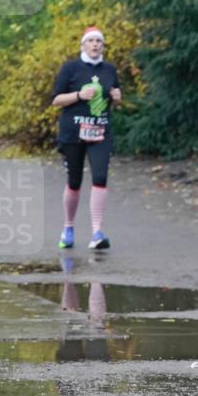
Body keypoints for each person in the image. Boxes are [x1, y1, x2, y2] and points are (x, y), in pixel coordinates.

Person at [51, 26, 121, 250]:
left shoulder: (109, 70)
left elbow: (114, 97)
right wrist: (79, 95)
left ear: (103, 46)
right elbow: (56, 100)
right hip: (73, 132)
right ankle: (68, 228)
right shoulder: (70, 68)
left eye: (98, 41)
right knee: (74, 182)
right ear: (83, 45)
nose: (94, 45)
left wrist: (117, 97)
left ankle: (96, 233)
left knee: (100, 177)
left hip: (100, 131)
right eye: (90, 41)